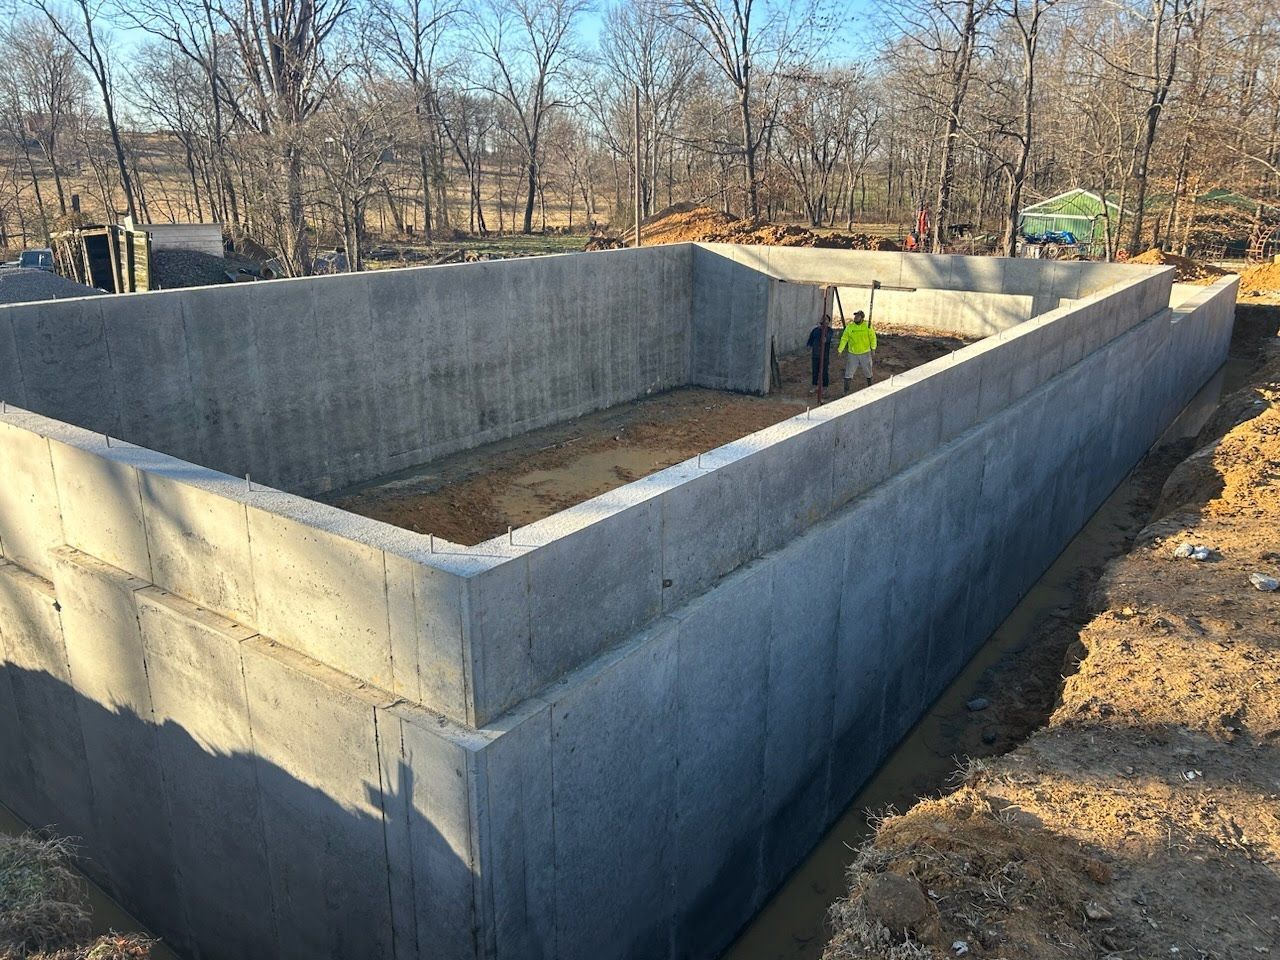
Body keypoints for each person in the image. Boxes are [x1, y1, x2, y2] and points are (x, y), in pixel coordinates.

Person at [837, 309, 876, 393]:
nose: (855, 317)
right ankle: (846, 391)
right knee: (848, 373)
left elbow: (872, 337)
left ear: (862, 318)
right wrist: (840, 349)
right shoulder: (850, 327)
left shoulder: (867, 326)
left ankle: (870, 386)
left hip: (865, 353)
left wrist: (873, 348)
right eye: (855, 316)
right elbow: (844, 338)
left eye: (858, 316)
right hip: (853, 353)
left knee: (868, 371)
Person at [806, 315, 838, 393]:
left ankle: (825, 387)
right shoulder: (815, 330)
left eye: (826, 319)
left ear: (828, 321)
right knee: (815, 371)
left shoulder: (829, 330)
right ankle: (814, 385)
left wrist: (825, 339)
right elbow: (810, 340)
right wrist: (809, 346)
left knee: (824, 371)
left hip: (824, 355)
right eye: (822, 319)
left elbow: (828, 338)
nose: (823, 320)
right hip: (815, 354)